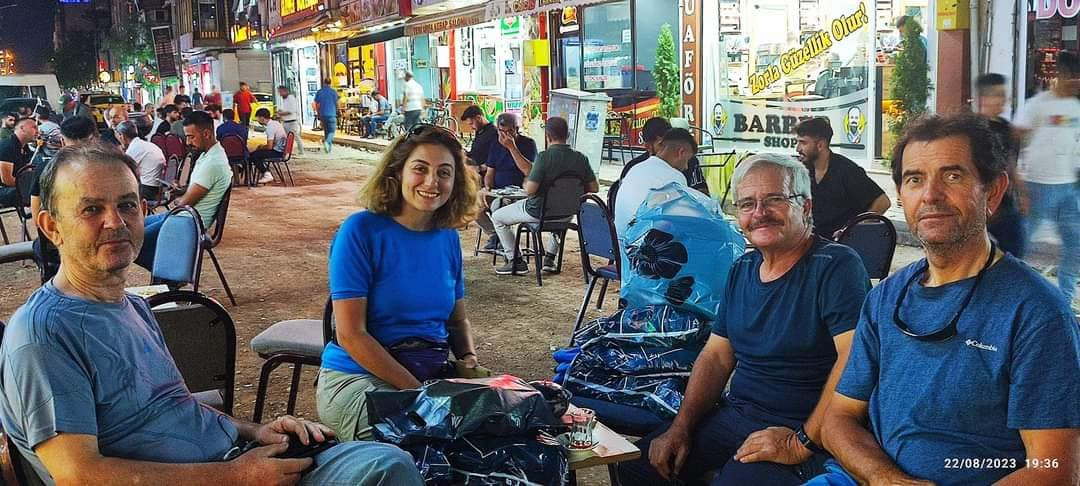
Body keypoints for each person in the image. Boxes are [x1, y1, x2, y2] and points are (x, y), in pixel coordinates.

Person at [0, 143, 424, 486]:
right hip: (220, 474)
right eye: (91, 209)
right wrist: (235, 476)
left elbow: (176, 405)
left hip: (229, 460)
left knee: (388, 459)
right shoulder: (44, 335)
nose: (116, 222)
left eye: (127, 205)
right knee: (386, 470)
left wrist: (256, 431)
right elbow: (78, 474)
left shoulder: (132, 307)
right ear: (51, 227)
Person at [814, 113, 1080, 485]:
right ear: (901, 196)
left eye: (952, 176)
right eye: (915, 179)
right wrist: (883, 477)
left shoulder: (1035, 312)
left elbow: (1053, 469)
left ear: (994, 191)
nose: (931, 195)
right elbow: (838, 418)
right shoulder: (885, 298)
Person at [617, 153, 870, 485]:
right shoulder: (743, 268)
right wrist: (681, 426)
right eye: (747, 204)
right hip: (736, 416)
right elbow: (717, 356)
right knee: (638, 466)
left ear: (806, 206)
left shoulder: (835, 266)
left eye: (775, 199)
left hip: (805, 428)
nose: (760, 213)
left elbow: (854, 359)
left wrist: (801, 442)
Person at [315, 125, 482, 442]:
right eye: (420, 169)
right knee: (424, 446)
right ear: (397, 172)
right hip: (358, 378)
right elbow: (351, 335)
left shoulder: (447, 237)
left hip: (427, 377)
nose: (432, 182)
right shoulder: (361, 231)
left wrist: (467, 358)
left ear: (456, 182)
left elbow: (457, 321)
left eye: (444, 173)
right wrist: (420, 396)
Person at [491, 117, 599, 276]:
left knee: (497, 217)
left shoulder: (544, 157)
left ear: (547, 136)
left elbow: (530, 191)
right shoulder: (581, 158)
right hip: (568, 213)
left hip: (538, 212)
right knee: (561, 211)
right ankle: (549, 258)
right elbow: (594, 188)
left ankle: (516, 261)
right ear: (568, 135)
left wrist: (526, 184)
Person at [1014, 51, 1080, 303]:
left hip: (1068, 187)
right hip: (1037, 186)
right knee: (1023, 246)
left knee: (1074, 246)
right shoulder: (1037, 105)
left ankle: (1064, 300)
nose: (1074, 82)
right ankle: (1017, 296)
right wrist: (1019, 185)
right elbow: (1014, 141)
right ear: (1059, 75)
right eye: (1070, 76)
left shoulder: (1075, 107)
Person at [135, 111, 232, 270]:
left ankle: (167, 272)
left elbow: (185, 203)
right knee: (135, 227)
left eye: (191, 137)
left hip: (188, 221)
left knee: (132, 240)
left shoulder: (213, 163)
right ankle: (165, 271)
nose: (188, 142)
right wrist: (182, 190)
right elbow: (197, 190)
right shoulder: (208, 155)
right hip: (183, 216)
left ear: (206, 134)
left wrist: (178, 199)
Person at [29, 116, 98, 305]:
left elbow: (36, 216)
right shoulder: (109, 169)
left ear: (61, 141)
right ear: (94, 138)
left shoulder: (46, 168)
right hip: (100, 244)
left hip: (56, 245)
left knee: (39, 247)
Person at [793, 117, 889, 238]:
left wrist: (854, 230)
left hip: (840, 245)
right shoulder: (802, 169)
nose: (798, 149)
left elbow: (883, 202)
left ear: (820, 145)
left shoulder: (846, 170)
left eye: (803, 143)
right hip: (811, 240)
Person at [612, 127, 699, 240]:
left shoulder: (635, 168)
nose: (686, 167)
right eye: (687, 160)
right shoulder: (674, 177)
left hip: (620, 245)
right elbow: (683, 219)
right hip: (644, 248)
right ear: (681, 152)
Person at [976, 73, 1027, 258]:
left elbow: (1010, 163)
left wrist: (1022, 193)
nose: (1004, 100)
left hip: (1005, 203)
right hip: (980, 204)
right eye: (998, 95)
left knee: (1015, 252)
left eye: (1004, 95)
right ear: (983, 98)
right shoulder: (974, 130)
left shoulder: (1006, 129)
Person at [612, 117, 709, 210]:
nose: (686, 167)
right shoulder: (672, 176)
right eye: (661, 145)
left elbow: (703, 194)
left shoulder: (635, 169)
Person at [115, 120, 166, 200]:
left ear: (122, 136)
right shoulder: (144, 145)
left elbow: (121, 170)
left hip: (147, 190)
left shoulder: (135, 148)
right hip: (157, 187)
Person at [0, 116, 37, 207]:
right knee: (35, 191)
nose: (38, 131)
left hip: (14, 186)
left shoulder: (24, 147)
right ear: (22, 128)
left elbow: (27, 170)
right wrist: (30, 185)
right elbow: (7, 180)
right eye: (34, 127)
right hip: (4, 189)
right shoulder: (7, 146)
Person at [249, 108, 286, 185]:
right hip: (282, 150)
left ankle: (266, 174)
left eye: (258, 118)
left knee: (253, 156)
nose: (258, 120)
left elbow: (269, 147)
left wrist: (261, 147)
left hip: (277, 152)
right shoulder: (276, 123)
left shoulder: (270, 128)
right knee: (256, 153)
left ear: (262, 118)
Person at [460, 105, 496, 179]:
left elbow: (496, 158)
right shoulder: (479, 132)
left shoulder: (494, 133)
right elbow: (476, 153)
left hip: (485, 175)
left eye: (471, 123)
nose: (471, 127)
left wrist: (480, 168)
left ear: (479, 118)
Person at [313, 78, 339, 153]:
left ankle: (328, 150)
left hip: (323, 114)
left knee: (326, 131)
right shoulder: (333, 92)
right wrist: (338, 111)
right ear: (330, 83)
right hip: (331, 114)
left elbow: (316, 104)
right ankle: (327, 142)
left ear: (324, 83)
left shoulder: (319, 92)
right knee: (332, 131)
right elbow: (336, 103)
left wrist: (318, 113)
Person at [276, 85, 304, 155]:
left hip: (292, 121)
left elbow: (291, 111)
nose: (280, 94)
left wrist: (281, 113)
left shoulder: (291, 98)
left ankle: (301, 151)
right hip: (285, 121)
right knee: (286, 138)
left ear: (285, 91)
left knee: (295, 137)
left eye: (281, 92)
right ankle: (286, 152)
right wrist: (280, 111)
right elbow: (285, 109)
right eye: (279, 92)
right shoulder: (284, 99)